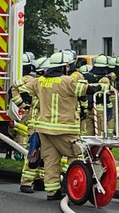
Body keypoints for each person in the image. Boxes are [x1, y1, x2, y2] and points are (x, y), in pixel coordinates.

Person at [32, 51, 88, 201]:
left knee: (50, 160)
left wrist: (23, 102)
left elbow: (23, 87)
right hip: (65, 129)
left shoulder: (40, 81)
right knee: (75, 156)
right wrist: (101, 87)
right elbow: (84, 90)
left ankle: (52, 192)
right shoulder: (67, 81)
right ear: (65, 67)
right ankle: (75, 186)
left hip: (43, 129)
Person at [9, 53, 43, 193]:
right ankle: (27, 182)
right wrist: (23, 105)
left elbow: (13, 90)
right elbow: (14, 89)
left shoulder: (38, 81)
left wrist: (21, 104)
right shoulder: (32, 80)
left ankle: (39, 180)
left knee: (44, 154)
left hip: (42, 122)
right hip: (35, 121)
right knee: (34, 152)